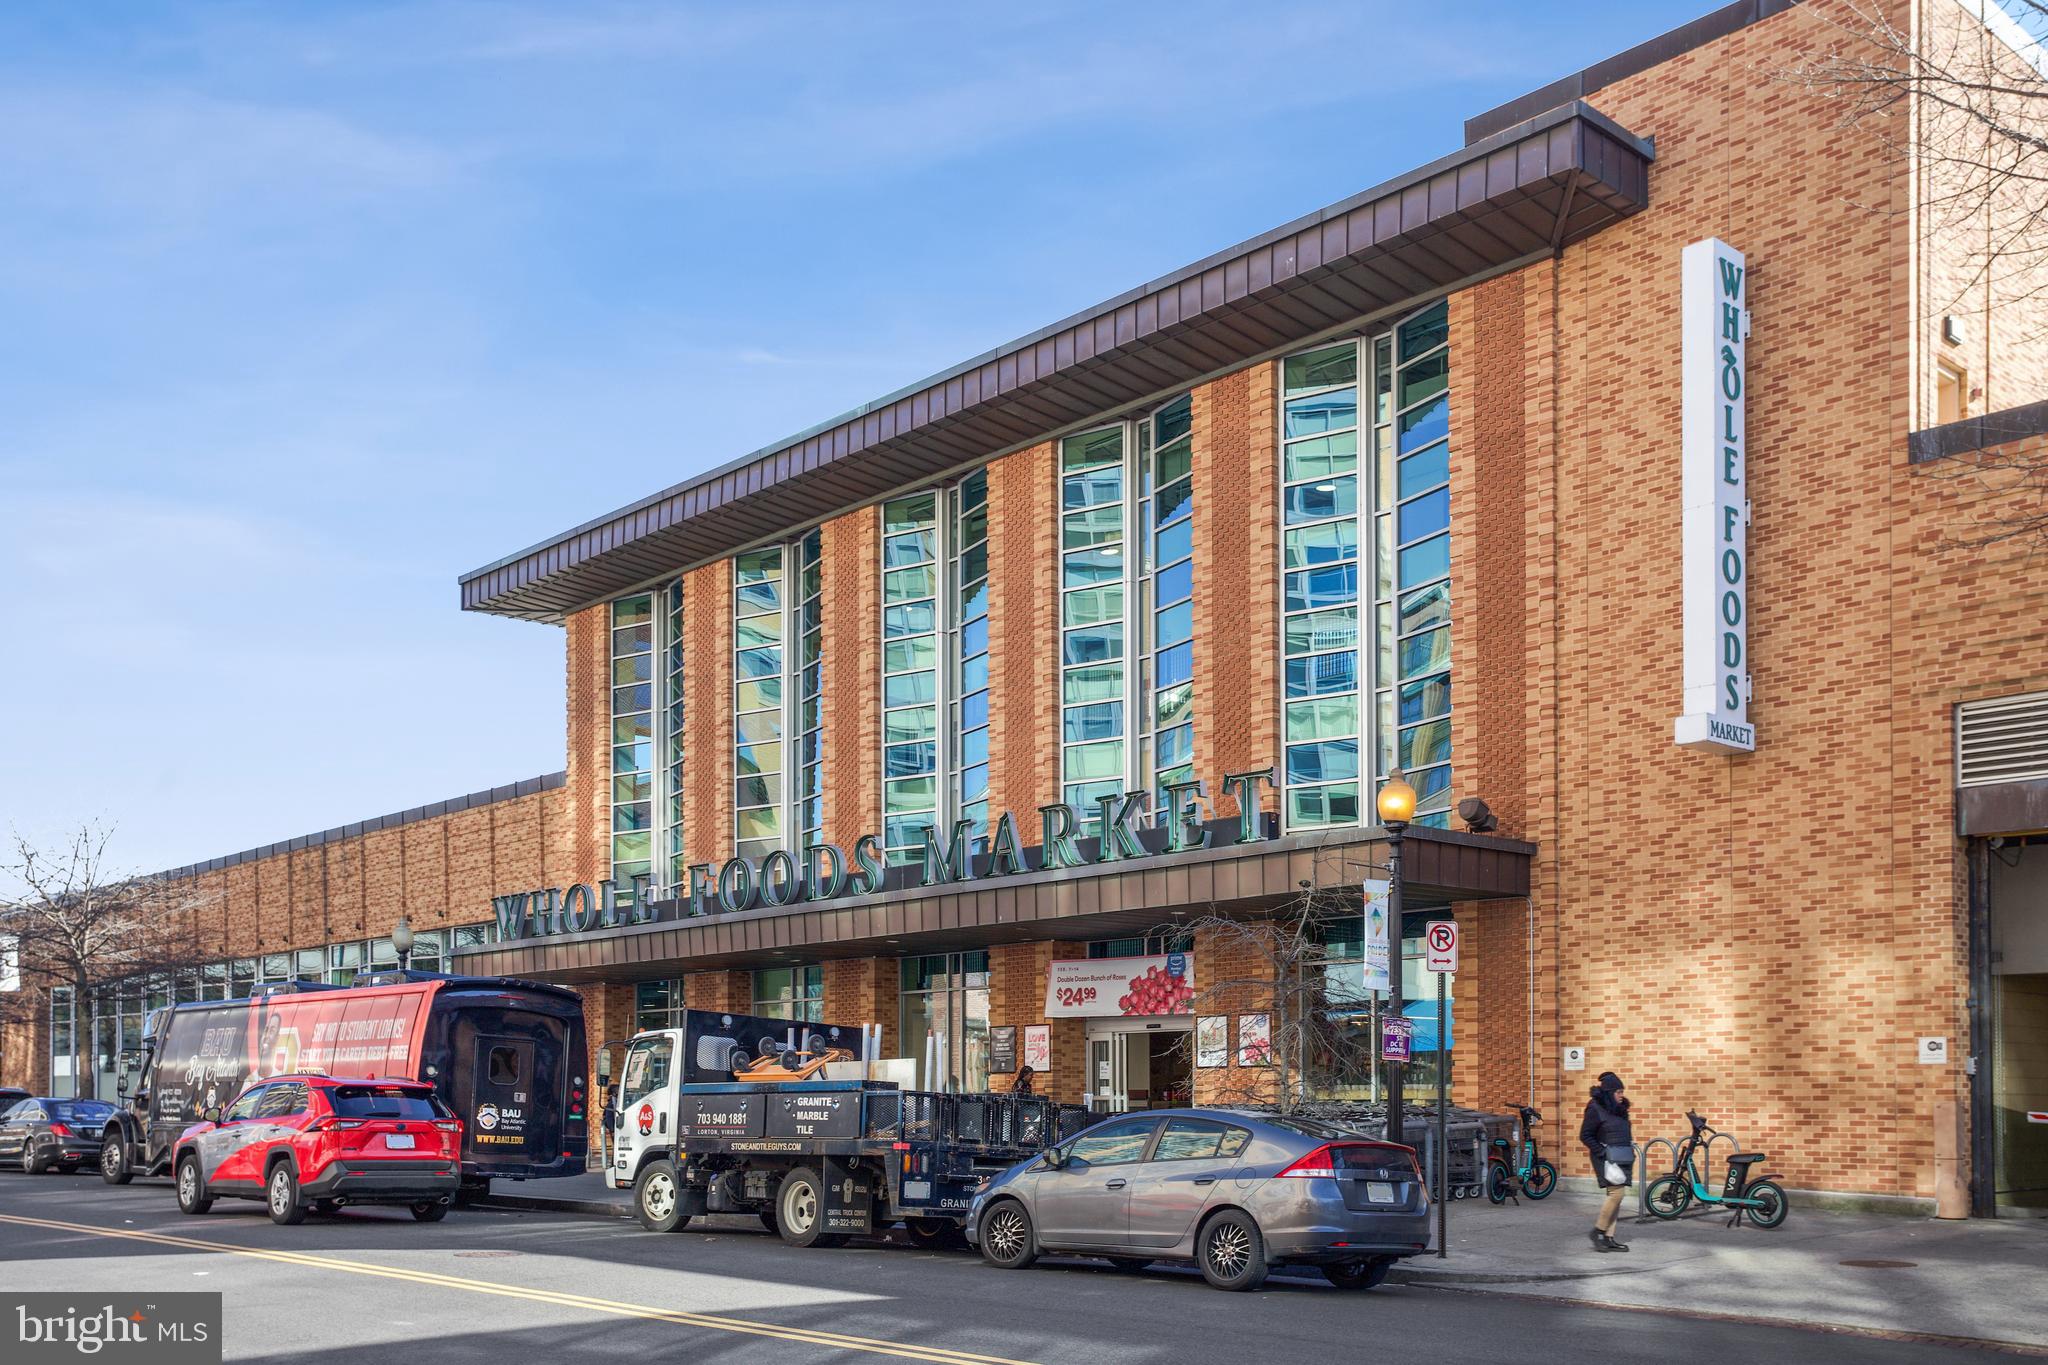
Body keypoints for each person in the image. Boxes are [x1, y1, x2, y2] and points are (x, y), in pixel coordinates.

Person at [1579, 1070, 1635, 1252]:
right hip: (1605, 1157)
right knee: (1616, 1194)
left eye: (1622, 1092)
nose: (1622, 1095)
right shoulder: (1595, 1108)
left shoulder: (1620, 1109)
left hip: (1621, 1155)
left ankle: (1608, 1237)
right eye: (1618, 1092)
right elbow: (1585, 1135)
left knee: (1617, 1197)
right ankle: (1598, 1231)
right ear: (1609, 1093)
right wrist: (1602, 1152)